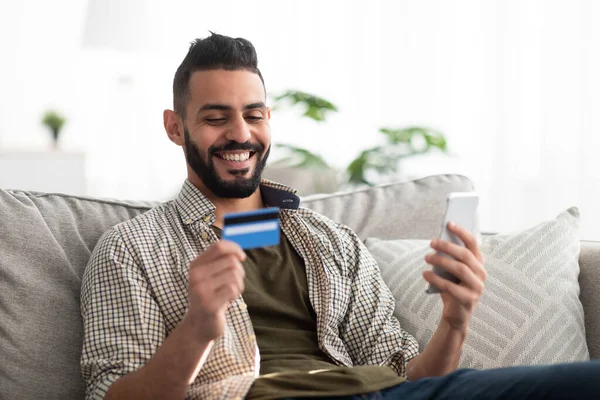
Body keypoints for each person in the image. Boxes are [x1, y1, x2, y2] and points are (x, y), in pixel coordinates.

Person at [80, 33, 599, 400]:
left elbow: (408, 376)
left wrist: (456, 321)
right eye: (216, 118)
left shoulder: (331, 240)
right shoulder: (134, 249)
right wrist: (199, 327)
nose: (240, 133)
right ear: (176, 128)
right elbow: (114, 396)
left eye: (254, 114)